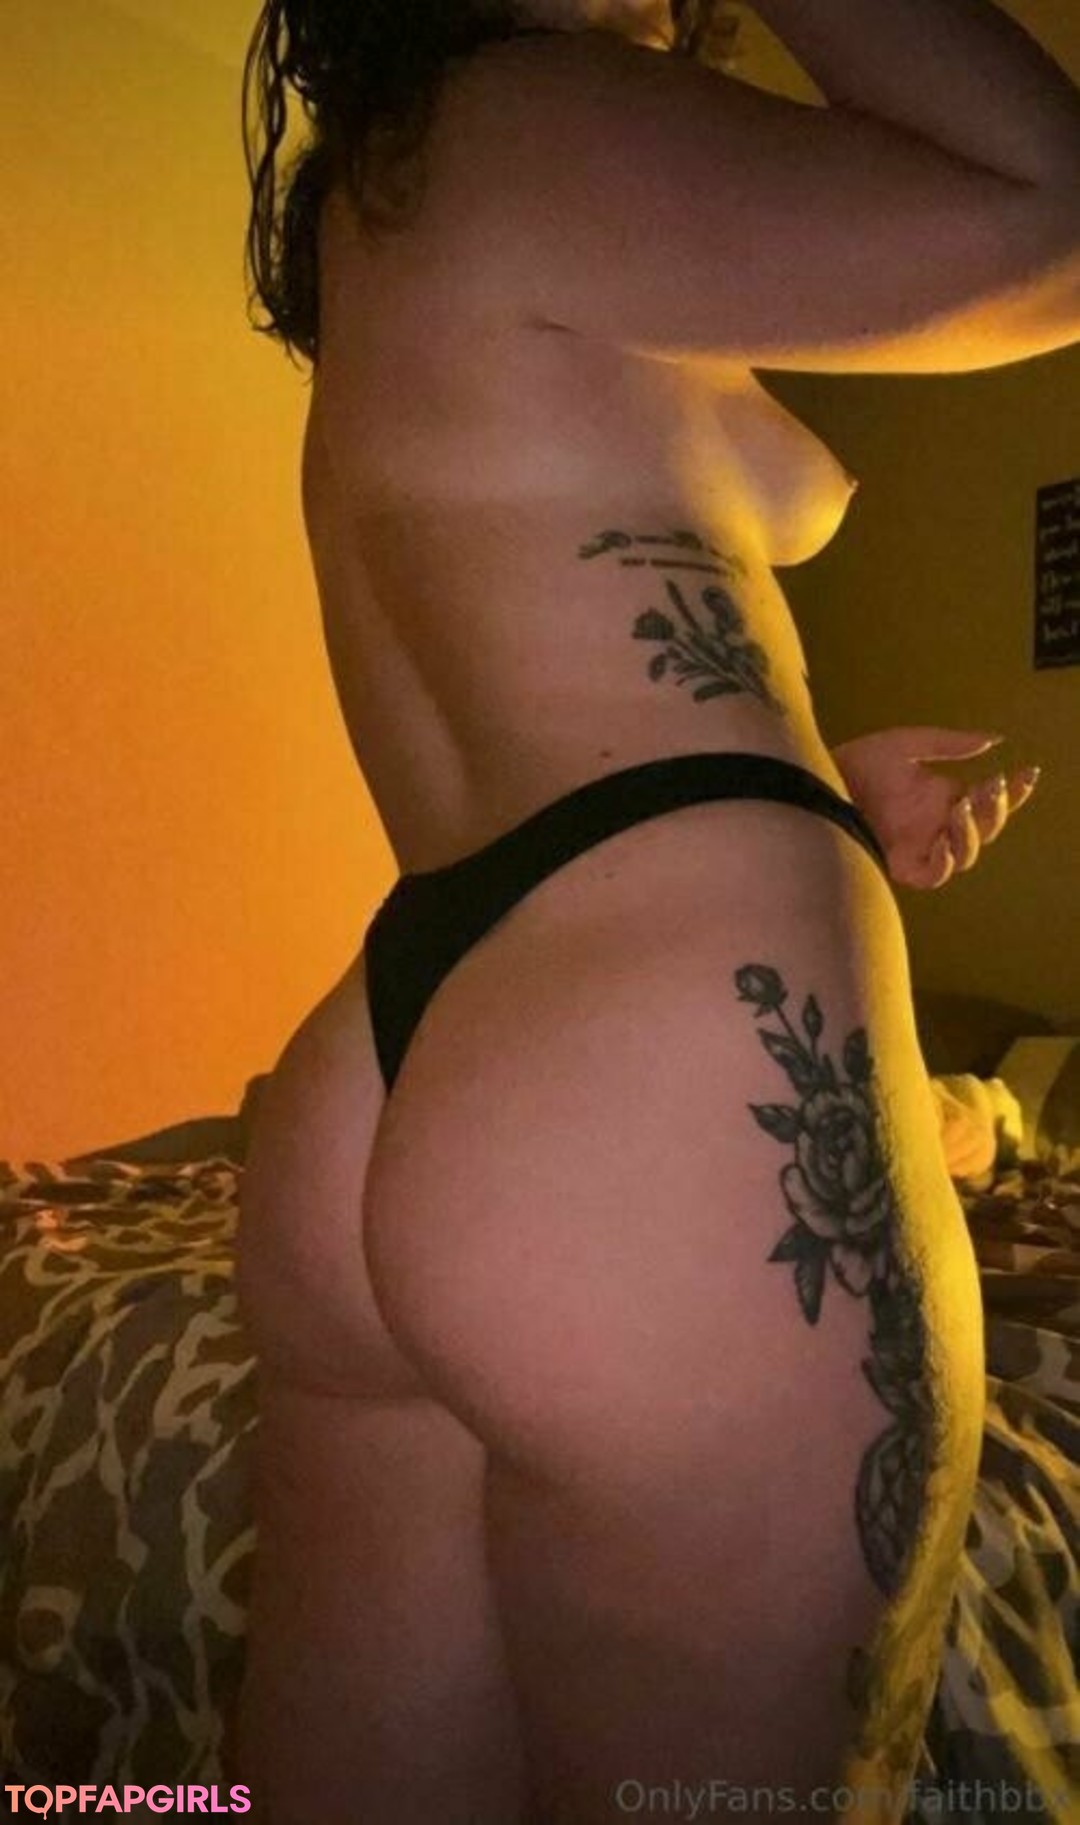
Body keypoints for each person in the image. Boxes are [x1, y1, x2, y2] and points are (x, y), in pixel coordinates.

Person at [231, 2, 1080, 1819]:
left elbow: (557, 659)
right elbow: (1052, 207)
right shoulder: (522, 112)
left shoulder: (417, 189)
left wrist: (819, 788)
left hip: (411, 1038)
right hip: (632, 1073)